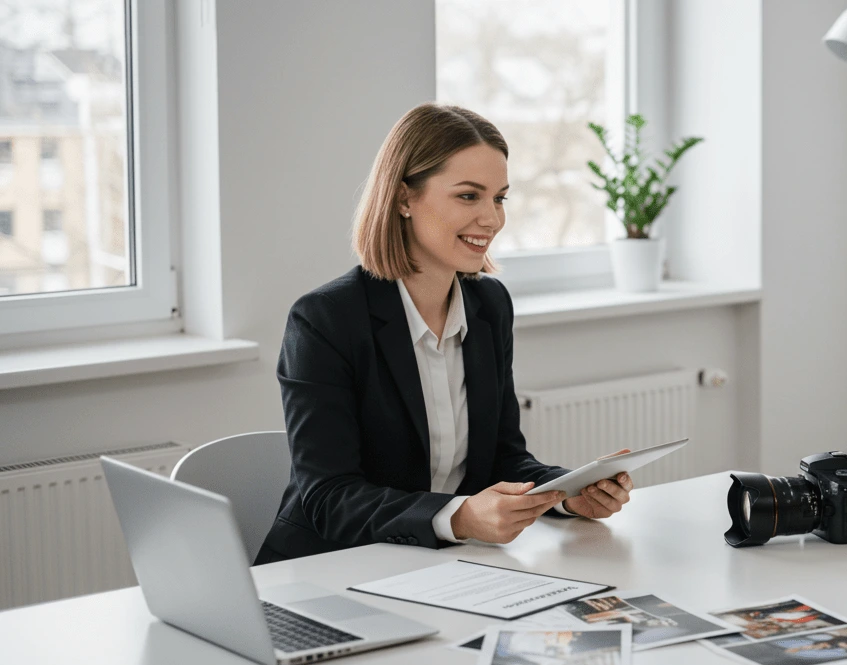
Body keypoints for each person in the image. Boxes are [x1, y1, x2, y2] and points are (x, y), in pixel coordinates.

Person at [256, 104, 633, 564]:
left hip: (438, 565)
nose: (492, 219)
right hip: (328, 566)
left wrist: (568, 494)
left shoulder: (489, 306)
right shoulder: (325, 319)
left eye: (500, 198)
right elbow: (329, 497)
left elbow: (504, 458)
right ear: (403, 198)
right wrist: (458, 518)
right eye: (469, 196)